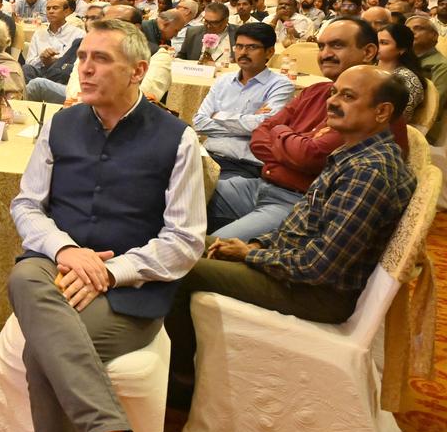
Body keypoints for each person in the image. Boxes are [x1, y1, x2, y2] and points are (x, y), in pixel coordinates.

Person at [7, 19, 205, 432]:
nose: (84, 69)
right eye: (81, 57)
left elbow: (186, 241)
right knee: (23, 275)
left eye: (100, 59)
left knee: (40, 354)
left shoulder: (177, 138)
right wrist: (67, 251)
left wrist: (113, 272)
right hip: (55, 269)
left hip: (131, 290)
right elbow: (26, 204)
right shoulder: (60, 124)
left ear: (137, 71)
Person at [167, 66, 415, 402]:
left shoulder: (369, 171)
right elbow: (306, 228)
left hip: (316, 293)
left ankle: (181, 381)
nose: (333, 102)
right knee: (182, 243)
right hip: (294, 265)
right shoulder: (355, 152)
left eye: (348, 96)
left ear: (382, 111)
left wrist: (250, 255)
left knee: (182, 270)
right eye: (334, 93)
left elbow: (318, 267)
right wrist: (257, 243)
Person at [207, 18, 407, 240]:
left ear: (369, 52)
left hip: (300, 204)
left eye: (337, 45)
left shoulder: (373, 106)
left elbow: (311, 156)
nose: (325, 54)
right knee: (175, 197)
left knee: (208, 249)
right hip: (259, 185)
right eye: (322, 46)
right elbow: (258, 136)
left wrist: (280, 132)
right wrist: (294, 142)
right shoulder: (315, 91)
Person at [193, 23, 294, 179]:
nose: (243, 52)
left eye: (252, 47)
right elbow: (199, 123)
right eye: (239, 46)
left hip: (243, 164)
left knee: (205, 190)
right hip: (207, 156)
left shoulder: (281, 85)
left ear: (269, 52)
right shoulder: (223, 81)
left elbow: (264, 126)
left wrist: (218, 115)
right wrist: (248, 122)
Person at [24, 0, 84, 81]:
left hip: (62, 74)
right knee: (26, 69)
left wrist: (55, 62)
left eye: (55, 8)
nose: (51, 11)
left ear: (66, 12)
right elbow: (29, 62)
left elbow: (78, 64)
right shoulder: (39, 33)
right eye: (48, 9)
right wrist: (42, 59)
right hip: (41, 71)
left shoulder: (78, 34)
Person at [406, 16, 447, 140]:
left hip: (423, 130)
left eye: (418, 28)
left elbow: (435, 104)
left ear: (434, 36)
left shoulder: (441, 65)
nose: (412, 32)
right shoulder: (402, 60)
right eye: (408, 29)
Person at [377, 23, 426, 122]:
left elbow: (398, 119)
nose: (376, 46)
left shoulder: (408, 80)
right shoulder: (366, 68)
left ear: (401, 49)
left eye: (384, 43)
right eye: (376, 42)